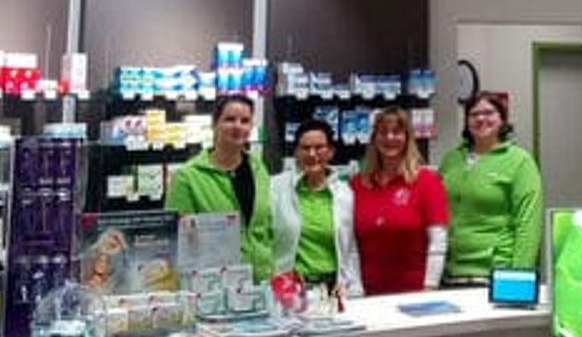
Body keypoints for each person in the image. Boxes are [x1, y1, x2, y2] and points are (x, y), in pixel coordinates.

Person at [437, 91, 543, 284]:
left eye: (488, 113)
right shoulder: (451, 160)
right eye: (474, 114)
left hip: (496, 274)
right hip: (450, 272)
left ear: (502, 119)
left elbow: (528, 224)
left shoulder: (520, 161)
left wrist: (519, 280)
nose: (481, 119)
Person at [165, 94, 275, 282]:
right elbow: (178, 241)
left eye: (245, 121)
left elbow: (265, 226)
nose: (238, 126)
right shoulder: (187, 177)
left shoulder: (258, 168)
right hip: (215, 285)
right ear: (214, 124)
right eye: (229, 119)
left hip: (261, 281)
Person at [351, 107, 448, 294]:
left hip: (414, 292)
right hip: (365, 292)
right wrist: (354, 288)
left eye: (397, 132)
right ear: (374, 139)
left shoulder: (427, 182)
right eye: (383, 132)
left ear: (407, 138)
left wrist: (430, 287)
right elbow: (350, 244)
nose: (390, 138)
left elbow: (438, 241)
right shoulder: (358, 184)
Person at [270, 117, 363, 296]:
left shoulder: (345, 194)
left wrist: (353, 287)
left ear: (331, 152)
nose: (312, 154)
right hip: (290, 288)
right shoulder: (276, 188)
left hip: (334, 287)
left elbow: (350, 248)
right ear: (296, 152)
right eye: (305, 148)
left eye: (319, 147)